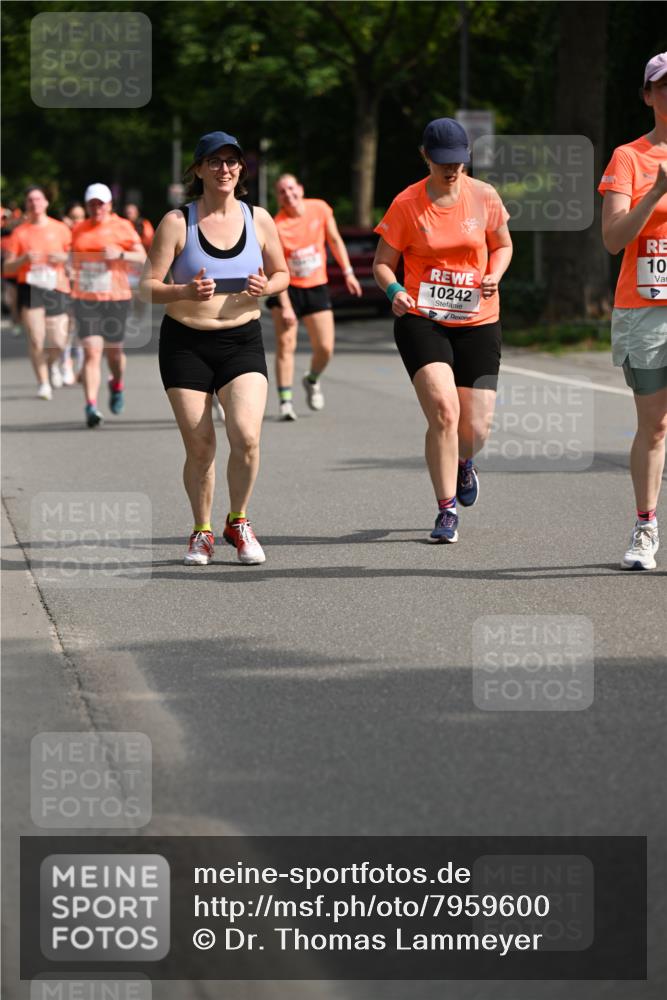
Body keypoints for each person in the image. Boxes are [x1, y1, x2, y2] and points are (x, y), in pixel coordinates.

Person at [140, 130, 289, 566]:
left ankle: (238, 521)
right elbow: (146, 289)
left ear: (241, 169)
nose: (224, 169)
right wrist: (183, 290)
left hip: (241, 339)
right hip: (185, 343)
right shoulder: (176, 222)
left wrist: (267, 286)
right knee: (201, 446)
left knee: (245, 436)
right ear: (199, 169)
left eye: (232, 161)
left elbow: (282, 274)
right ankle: (201, 530)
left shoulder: (259, 219)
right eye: (214, 162)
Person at [372, 118, 513, 544]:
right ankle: (446, 509)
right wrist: (395, 289)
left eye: (459, 162)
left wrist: (495, 274)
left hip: (478, 318)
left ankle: (464, 460)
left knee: (476, 427)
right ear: (425, 157)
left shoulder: (484, 196)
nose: (453, 170)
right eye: (443, 162)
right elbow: (382, 263)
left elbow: (503, 244)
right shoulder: (407, 204)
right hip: (423, 317)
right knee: (444, 412)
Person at [599, 52, 667, 571]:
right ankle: (645, 527)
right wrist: (656, 193)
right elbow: (613, 238)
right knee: (656, 426)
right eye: (662, 87)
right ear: (647, 95)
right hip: (645, 310)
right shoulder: (629, 158)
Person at [266, 174, 362, 420]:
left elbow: (334, 240)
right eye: (282, 192)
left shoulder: (319, 208)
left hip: (316, 286)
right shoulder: (277, 225)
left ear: (300, 188)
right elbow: (276, 268)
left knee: (325, 348)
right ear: (278, 198)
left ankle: (311, 380)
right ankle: (285, 401)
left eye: (291, 188)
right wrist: (286, 306)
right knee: (286, 344)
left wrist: (348, 273)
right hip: (287, 288)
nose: (288, 194)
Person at [70, 183, 146, 427]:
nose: (96, 208)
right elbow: (73, 258)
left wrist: (121, 254)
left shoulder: (122, 226)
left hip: (115, 297)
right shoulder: (79, 229)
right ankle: (91, 406)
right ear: (86, 205)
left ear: (109, 205)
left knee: (114, 353)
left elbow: (143, 257)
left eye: (100, 203)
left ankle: (117, 383)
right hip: (86, 297)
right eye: (92, 203)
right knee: (92, 352)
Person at [3, 186, 72, 399]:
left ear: (46, 203)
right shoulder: (19, 233)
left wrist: (63, 258)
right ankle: (43, 383)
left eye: (38, 199)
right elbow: (6, 268)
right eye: (30, 200)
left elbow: (74, 258)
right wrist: (23, 260)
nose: (34, 203)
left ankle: (52, 364)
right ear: (27, 205)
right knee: (36, 339)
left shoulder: (60, 229)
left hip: (56, 286)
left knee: (59, 341)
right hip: (30, 287)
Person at [59, 201, 87, 384]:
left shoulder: (87, 234)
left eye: (81, 217)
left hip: (87, 287)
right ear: (67, 218)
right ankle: (65, 364)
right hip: (64, 287)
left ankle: (81, 368)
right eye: (74, 217)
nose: (77, 221)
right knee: (68, 327)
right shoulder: (62, 235)